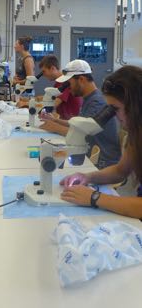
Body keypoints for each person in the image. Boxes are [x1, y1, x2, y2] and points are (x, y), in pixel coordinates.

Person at [60, 65, 142, 219]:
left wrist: (94, 197)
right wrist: (88, 177)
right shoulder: (136, 132)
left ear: (136, 105)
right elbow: (120, 171)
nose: (113, 115)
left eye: (115, 109)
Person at [40, 59, 121, 169]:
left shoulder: (97, 102)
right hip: (89, 153)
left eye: (69, 83)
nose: (67, 88)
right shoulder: (89, 98)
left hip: (101, 162)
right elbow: (80, 125)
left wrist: (55, 127)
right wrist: (56, 120)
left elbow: (83, 134)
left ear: (81, 79)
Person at [38, 55, 82, 120]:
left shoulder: (65, 82)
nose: (43, 75)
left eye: (44, 71)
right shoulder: (59, 83)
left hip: (69, 121)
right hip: (64, 118)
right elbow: (51, 98)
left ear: (52, 68)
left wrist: (34, 106)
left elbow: (54, 103)